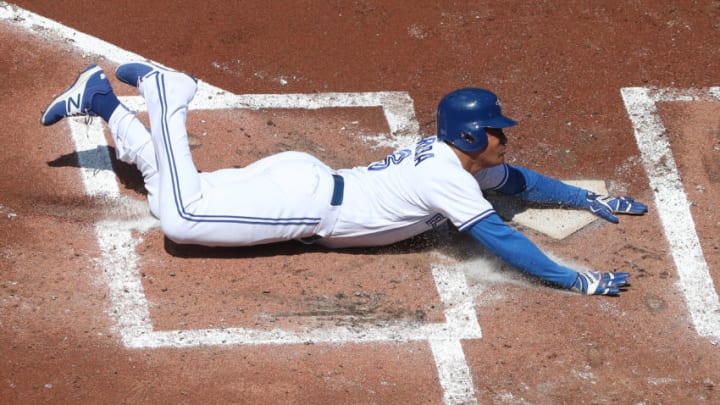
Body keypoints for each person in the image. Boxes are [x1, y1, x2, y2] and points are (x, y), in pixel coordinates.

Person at [41, 62, 648, 296]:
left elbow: (520, 181)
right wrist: (575, 280)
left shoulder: (457, 163)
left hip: (299, 181)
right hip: (304, 206)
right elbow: (507, 240)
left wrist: (585, 197)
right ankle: (165, 96)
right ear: (469, 138)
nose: (504, 139)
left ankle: (104, 103)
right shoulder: (452, 181)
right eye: (495, 131)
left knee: (170, 193)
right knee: (181, 217)